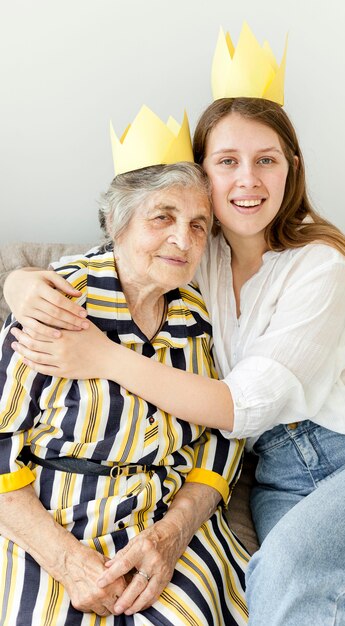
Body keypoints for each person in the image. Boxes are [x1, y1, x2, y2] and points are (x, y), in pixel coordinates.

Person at [5, 96, 345, 626]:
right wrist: (17, 284)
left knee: (287, 571)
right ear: (203, 175)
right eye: (227, 161)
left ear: (292, 169)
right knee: (325, 594)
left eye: (266, 159)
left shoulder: (321, 267)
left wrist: (101, 357)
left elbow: (243, 409)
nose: (248, 179)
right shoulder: (198, 258)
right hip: (284, 476)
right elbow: (127, 250)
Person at [0, 161, 249, 625]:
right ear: (118, 221)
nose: (183, 239)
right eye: (162, 217)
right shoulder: (58, 300)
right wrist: (67, 561)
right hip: (51, 522)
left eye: (198, 225)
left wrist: (172, 533)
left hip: (164, 520)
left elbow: (223, 437)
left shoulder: (198, 317)